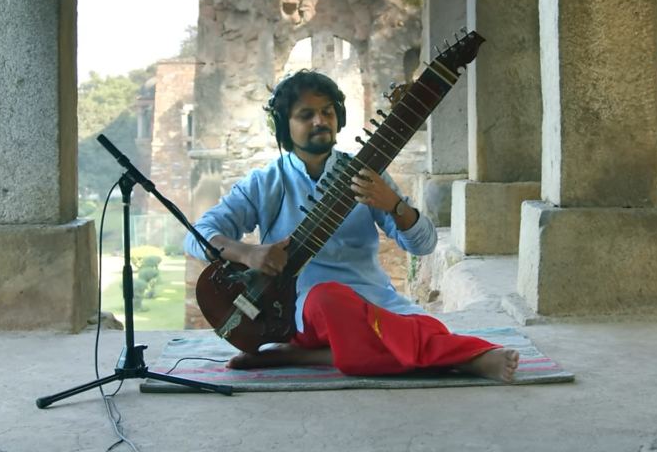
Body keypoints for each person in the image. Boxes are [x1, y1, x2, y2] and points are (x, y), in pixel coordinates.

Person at [183, 70, 519, 382]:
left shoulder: (366, 174)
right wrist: (249, 254)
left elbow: (424, 245)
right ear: (283, 127)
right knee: (328, 296)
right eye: (306, 115)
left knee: (426, 324)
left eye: (328, 112)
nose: (320, 120)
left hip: (376, 305)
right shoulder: (264, 183)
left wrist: (394, 204)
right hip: (307, 312)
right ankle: (464, 358)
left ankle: (309, 358)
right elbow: (196, 237)